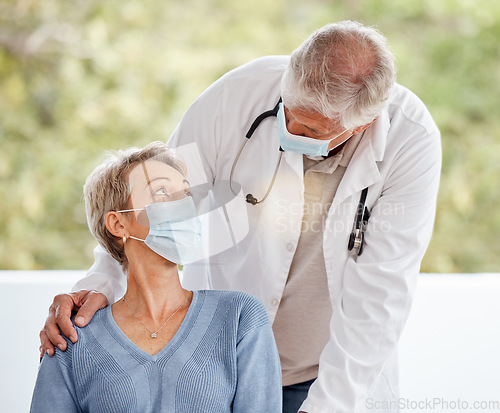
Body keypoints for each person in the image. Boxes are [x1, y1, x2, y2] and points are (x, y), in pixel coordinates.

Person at [40, 21, 441, 413]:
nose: (290, 127)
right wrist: (100, 283)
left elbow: (381, 296)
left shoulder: (411, 140)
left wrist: (329, 406)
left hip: (328, 371)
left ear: (362, 124)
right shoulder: (236, 97)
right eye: (289, 110)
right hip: (219, 366)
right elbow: (150, 203)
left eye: (311, 128)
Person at [31, 142, 282, 412]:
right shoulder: (72, 338)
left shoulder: (239, 318)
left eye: (186, 193)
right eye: (161, 191)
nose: (183, 205)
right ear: (118, 224)